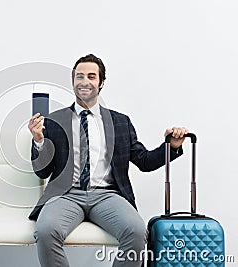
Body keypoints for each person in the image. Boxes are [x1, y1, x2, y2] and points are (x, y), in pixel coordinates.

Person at [27, 54, 188, 267]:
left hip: (107, 195)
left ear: (101, 83)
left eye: (91, 76)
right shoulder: (54, 121)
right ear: (73, 81)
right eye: (79, 76)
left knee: (137, 232)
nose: (84, 81)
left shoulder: (120, 122)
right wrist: (39, 141)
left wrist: (171, 146)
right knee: (46, 231)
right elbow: (42, 172)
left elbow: (144, 161)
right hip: (66, 195)